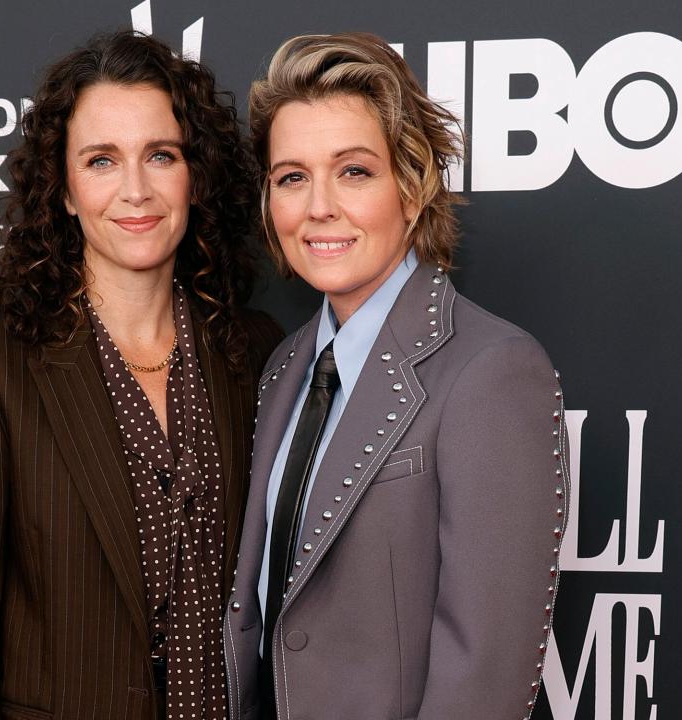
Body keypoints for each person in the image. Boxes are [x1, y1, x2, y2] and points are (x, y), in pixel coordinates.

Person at [0, 31, 282, 720]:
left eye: (161, 155)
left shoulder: (254, 348)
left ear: (194, 175)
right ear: (63, 190)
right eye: (101, 161)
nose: (136, 190)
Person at [224, 32, 570, 720]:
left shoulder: (491, 370)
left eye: (353, 171)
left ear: (412, 190)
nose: (318, 205)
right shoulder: (285, 367)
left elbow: (484, 676)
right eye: (292, 177)